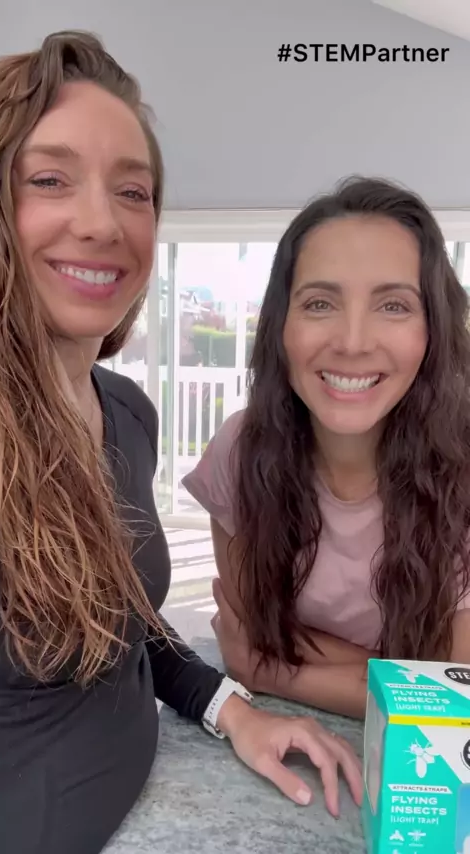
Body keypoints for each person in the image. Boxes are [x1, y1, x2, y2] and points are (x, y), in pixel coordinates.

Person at [0, 30, 363, 854]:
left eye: (134, 191)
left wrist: (230, 709)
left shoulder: (126, 414)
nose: (102, 223)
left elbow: (128, 625)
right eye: (49, 179)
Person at [183, 176, 470, 720]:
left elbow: (456, 697)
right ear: (281, 326)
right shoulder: (241, 451)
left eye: (393, 306)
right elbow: (254, 626)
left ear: (432, 331)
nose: (353, 342)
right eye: (319, 303)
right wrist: (404, 670)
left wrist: (273, 673)